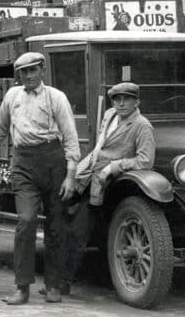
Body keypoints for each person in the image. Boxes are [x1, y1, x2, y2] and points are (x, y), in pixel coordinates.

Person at [0, 52, 80, 305]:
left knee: (56, 225)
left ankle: (53, 286)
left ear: (42, 70)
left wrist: (71, 176)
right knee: (26, 221)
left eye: (32, 70)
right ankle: (22, 288)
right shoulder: (12, 96)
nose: (28, 76)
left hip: (53, 162)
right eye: (23, 72)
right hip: (23, 164)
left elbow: (70, 137)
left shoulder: (56, 97)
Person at [66, 82, 155, 287]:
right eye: (117, 99)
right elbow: (101, 146)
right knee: (59, 213)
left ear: (137, 102)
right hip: (87, 173)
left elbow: (145, 161)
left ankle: (63, 282)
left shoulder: (142, 126)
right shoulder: (109, 115)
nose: (121, 103)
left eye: (127, 99)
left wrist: (114, 166)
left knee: (80, 229)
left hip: (105, 184)